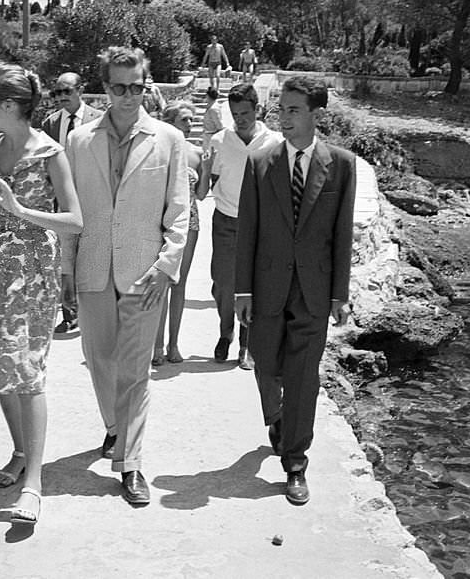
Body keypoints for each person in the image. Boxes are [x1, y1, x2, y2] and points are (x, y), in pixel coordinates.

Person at [63, 46, 189, 506]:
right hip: (93, 267)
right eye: (120, 87)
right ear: (104, 87)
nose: (129, 96)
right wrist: (64, 269)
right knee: (100, 360)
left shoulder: (168, 139)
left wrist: (167, 266)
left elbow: (180, 211)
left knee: (135, 372)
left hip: (145, 272)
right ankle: (114, 429)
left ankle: (131, 464)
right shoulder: (79, 140)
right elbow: (70, 212)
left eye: (137, 86)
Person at [0, 60, 83, 527]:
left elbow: (75, 220)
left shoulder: (51, 154)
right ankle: (19, 450)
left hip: (31, 269)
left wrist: (19, 208)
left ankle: (34, 480)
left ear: (9, 106)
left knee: (25, 367)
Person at [234, 76, 356, 506]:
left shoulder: (341, 164)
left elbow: (343, 234)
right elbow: (246, 230)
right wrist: (242, 291)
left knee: (303, 375)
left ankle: (296, 462)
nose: (282, 119)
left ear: (316, 114)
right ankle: (278, 419)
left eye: (293, 110)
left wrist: (339, 294)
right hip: (266, 286)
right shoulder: (260, 162)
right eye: (280, 110)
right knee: (266, 363)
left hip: (314, 289)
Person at [204, 81, 283, 369]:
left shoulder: (274, 142)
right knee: (223, 283)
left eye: (246, 113)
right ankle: (226, 332)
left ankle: (246, 344)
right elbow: (208, 184)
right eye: (236, 114)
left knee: (254, 284)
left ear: (258, 109)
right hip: (225, 219)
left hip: (260, 224)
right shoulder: (219, 141)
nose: (241, 119)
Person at [40, 72, 104, 334]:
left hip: (94, 200)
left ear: (81, 90)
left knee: (93, 257)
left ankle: (93, 313)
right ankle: (70, 313)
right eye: (57, 92)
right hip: (64, 204)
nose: (62, 97)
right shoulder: (50, 123)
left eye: (67, 91)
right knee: (65, 260)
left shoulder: (99, 119)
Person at [152, 100, 209, 365]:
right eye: (184, 119)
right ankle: (156, 347)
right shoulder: (158, 149)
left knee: (179, 284)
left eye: (191, 119)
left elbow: (201, 194)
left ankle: (174, 344)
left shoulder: (197, 152)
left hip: (191, 221)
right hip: (161, 221)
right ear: (170, 122)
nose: (190, 124)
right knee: (160, 283)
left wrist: (206, 168)